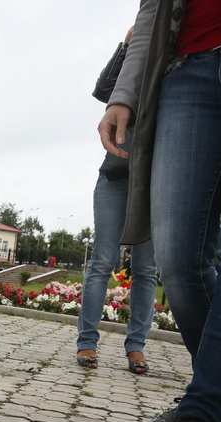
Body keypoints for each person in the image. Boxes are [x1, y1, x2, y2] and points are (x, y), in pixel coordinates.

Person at [98, 0, 221, 422]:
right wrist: (123, 94)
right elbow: (152, 12)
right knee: (174, 256)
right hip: (186, 67)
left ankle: (199, 414)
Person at [76, 27, 157, 374]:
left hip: (156, 184)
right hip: (114, 180)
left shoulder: (176, 71)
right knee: (102, 262)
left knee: (146, 270)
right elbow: (103, 90)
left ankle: (136, 347)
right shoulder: (135, 68)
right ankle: (87, 343)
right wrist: (127, 45)